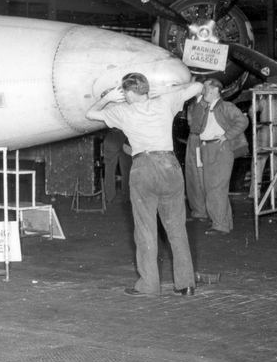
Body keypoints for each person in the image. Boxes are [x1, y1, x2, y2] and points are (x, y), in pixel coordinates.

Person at [86, 72, 202, 297]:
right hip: (169, 165)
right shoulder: (166, 101)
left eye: (123, 91)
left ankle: (149, 285)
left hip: (144, 167)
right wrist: (167, 90)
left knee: (146, 229)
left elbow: (90, 113)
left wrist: (108, 97)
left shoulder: (123, 111)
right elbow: (197, 87)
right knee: (177, 228)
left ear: (129, 92)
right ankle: (186, 284)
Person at [184, 78, 248, 234]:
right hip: (208, 148)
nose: (203, 91)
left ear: (213, 90)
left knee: (215, 188)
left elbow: (243, 120)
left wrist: (227, 135)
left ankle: (220, 225)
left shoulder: (226, 106)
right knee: (215, 187)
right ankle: (224, 223)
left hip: (219, 149)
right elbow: (196, 125)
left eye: (205, 89)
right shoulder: (208, 108)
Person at [101, 127, 132, 205]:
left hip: (111, 137)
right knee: (127, 170)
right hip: (125, 137)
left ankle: (109, 197)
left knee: (109, 170)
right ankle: (127, 197)